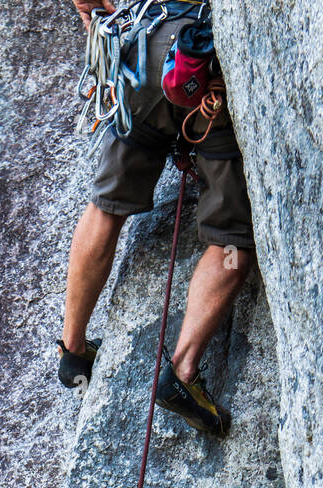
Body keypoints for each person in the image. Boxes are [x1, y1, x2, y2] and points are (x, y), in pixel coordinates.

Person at [58, 0, 253, 436]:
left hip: (144, 50)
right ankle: (182, 372)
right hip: (199, 64)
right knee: (232, 237)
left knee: (105, 206)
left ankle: (73, 347)